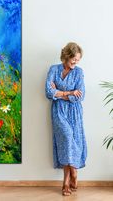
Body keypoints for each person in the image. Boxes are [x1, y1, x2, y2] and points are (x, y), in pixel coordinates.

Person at [45, 42, 87, 196]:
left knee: (72, 143)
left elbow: (80, 96)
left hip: (75, 113)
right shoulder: (53, 69)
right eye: (74, 59)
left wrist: (59, 92)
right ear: (67, 56)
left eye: (78, 59)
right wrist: (69, 92)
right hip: (58, 112)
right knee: (67, 139)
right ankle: (74, 173)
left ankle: (66, 182)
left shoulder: (79, 72)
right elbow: (49, 93)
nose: (76, 62)